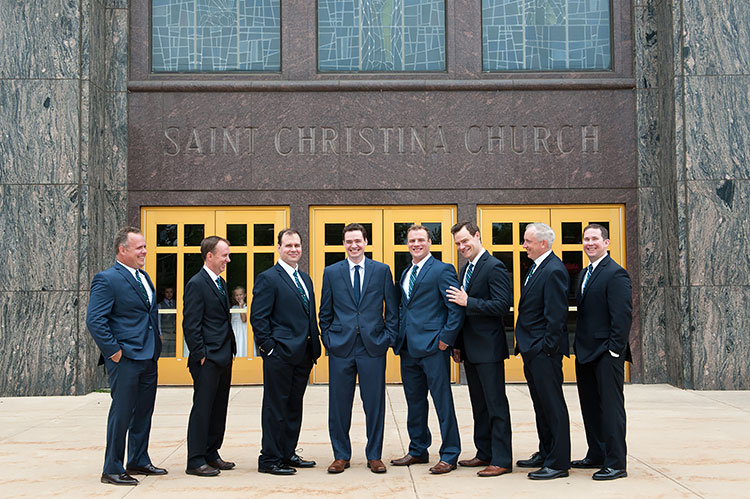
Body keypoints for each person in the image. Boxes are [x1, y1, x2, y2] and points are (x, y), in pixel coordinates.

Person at [86, 227, 167, 486]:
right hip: (126, 359)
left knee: (144, 411)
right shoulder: (107, 279)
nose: (145, 251)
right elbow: (95, 320)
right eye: (139, 247)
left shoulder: (144, 277)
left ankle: (138, 460)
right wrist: (115, 352)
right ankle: (111, 468)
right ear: (123, 250)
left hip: (149, 356)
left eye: (144, 246)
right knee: (122, 413)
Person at [318, 223, 399, 474]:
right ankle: (341, 455)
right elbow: (325, 313)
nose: (353, 245)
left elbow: (393, 311)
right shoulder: (331, 272)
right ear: (344, 244)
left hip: (372, 348)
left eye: (358, 241)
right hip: (341, 348)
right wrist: (329, 341)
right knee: (339, 405)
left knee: (374, 405)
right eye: (349, 241)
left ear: (366, 242)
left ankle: (374, 455)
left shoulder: (382, 271)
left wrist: (387, 338)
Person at [391, 225, 464, 475]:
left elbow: (455, 308)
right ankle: (418, 449)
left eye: (421, 239)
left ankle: (450, 453)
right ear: (407, 243)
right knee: (415, 403)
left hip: (434, 347)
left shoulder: (443, 270)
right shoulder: (406, 272)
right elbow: (405, 308)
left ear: (430, 242)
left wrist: (445, 340)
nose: (416, 244)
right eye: (412, 240)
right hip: (409, 349)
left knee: (442, 403)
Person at [250, 228, 322, 475]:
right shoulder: (268, 278)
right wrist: (269, 349)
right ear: (278, 248)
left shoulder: (305, 279)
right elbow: (258, 319)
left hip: (303, 354)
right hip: (279, 355)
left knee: (293, 407)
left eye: (297, 245)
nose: (294, 249)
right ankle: (269, 459)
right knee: (275, 408)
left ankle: (287, 453)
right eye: (289, 245)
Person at [446, 221, 513, 477]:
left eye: (465, 241)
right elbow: (463, 315)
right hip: (471, 350)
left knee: (496, 405)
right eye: (458, 244)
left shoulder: (493, 266)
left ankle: (502, 459)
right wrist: (459, 345)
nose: (462, 247)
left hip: (489, 350)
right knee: (479, 405)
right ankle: (484, 452)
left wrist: (468, 300)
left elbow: (501, 306)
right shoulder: (467, 269)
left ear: (477, 236)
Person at [573, 224, 633, 481]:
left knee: (611, 409)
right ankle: (596, 453)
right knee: (590, 406)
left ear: (606, 243)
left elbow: (622, 317)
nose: (590, 243)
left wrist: (614, 351)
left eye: (595, 239)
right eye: (586, 239)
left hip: (606, 354)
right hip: (585, 351)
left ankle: (616, 462)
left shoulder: (616, 274)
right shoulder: (584, 273)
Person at [514, 222, 571, 480]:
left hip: (543, 353)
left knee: (552, 405)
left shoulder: (554, 270)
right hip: (533, 351)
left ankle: (558, 463)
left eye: (528, 241)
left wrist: (546, 349)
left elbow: (556, 317)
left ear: (543, 244)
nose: (524, 245)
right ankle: (546, 451)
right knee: (541, 405)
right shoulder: (538, 267)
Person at [182, 236, 237, 477]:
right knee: (203, 408)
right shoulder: (196, 283)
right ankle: (195, 460)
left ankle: (212, 453)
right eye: (224, 255)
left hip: (224, 356)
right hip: (207, 359)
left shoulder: (221, 283)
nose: (228, 259)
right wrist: (201, 354)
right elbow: (191, 324)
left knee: (219, 408)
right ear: (209, 256)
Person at [157, 287, 176, 356]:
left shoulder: (177, 304)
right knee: (164, 353)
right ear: (164, 293)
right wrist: (160, 334)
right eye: (167, 292)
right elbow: (158, 321)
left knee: (173, 353)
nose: (169, 294)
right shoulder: (160, 305)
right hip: (164, 333)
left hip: (174, 334)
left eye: (171, 292)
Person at [231, 286, 248, 357]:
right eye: (237, 295)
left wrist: (241, 306)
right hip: (235, 330)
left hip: (243, 331)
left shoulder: (247, 307)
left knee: (242, 345)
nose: (239, 297)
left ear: (245, 295)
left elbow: (244, 320)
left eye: (240, 295)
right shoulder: (234, 308)